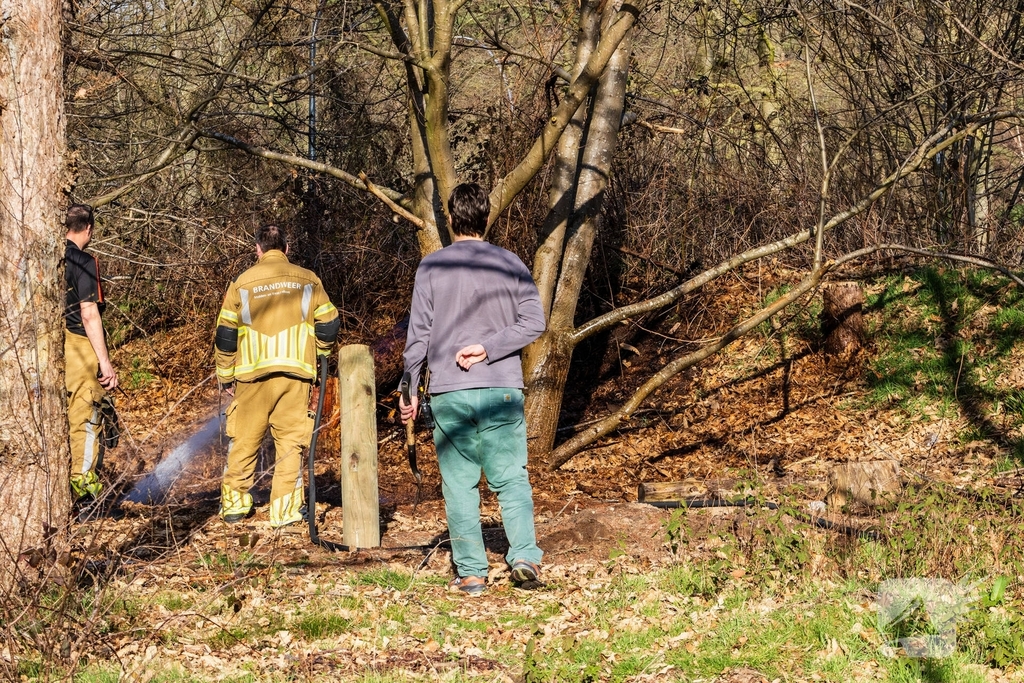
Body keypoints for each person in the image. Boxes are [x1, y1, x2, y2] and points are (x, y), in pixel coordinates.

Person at [399, 182, 547, 595]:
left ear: (450, 219)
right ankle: (524, 557)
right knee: (511, 479)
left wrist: (409, 389)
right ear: (486, 217)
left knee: (459, 485)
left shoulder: (432, 266)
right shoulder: (510, 263)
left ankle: (472, 575)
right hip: (502, 389)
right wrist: (490, 348)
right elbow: (534, 323)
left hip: (450, 391)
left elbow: (418, 336)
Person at [214, 225, 339, 528]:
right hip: (295, 376)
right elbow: (329, 323)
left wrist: (226, 376)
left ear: (257, 250)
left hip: (251, 377)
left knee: (244, 441)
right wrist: (320, 353)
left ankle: (234, 506)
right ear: (287, 248)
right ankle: (284, 511)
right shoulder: (308, 279)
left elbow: (226, 334)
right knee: (290, 444)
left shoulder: (241, 283)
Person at [64, 203, 118, 515]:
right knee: (86, 417)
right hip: (79, 346)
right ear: (88, 229)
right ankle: (85, 496)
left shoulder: (45, 257)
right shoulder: (83, 261)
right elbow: (88, 313)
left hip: (50, 346)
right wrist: (104, 362)